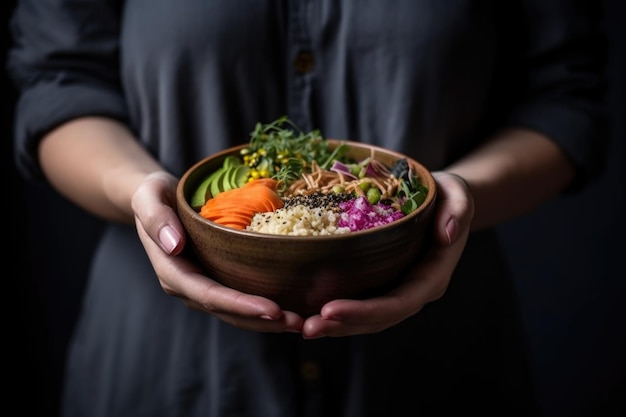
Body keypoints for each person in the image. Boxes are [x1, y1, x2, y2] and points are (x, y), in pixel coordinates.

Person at [7, 1, 608, 416]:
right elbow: (60, 82)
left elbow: (565, 98)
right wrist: (137, 187)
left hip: (434, 361)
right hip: (164, 368)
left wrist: (454, 195)